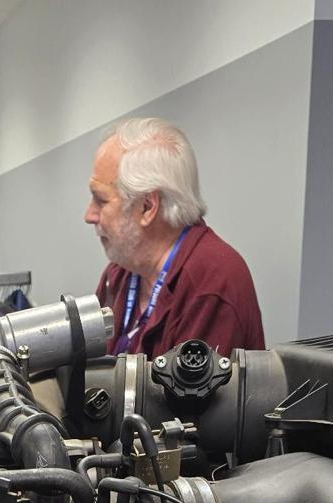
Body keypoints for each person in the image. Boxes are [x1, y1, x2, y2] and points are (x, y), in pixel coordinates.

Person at [86, 118, 264, 359]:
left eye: (101, 200)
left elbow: (188, 386)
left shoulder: (212, 282)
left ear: (147, 207)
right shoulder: (119, 273)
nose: (89, 215)